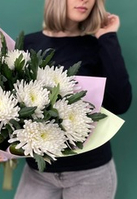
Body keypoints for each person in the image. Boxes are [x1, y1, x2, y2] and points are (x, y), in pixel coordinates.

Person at [14, 0, 132, 199]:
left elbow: (121, 103)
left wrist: (108, 36)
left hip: (91, 173)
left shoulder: (98, 45)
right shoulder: (27, 44)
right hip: (38, 172)